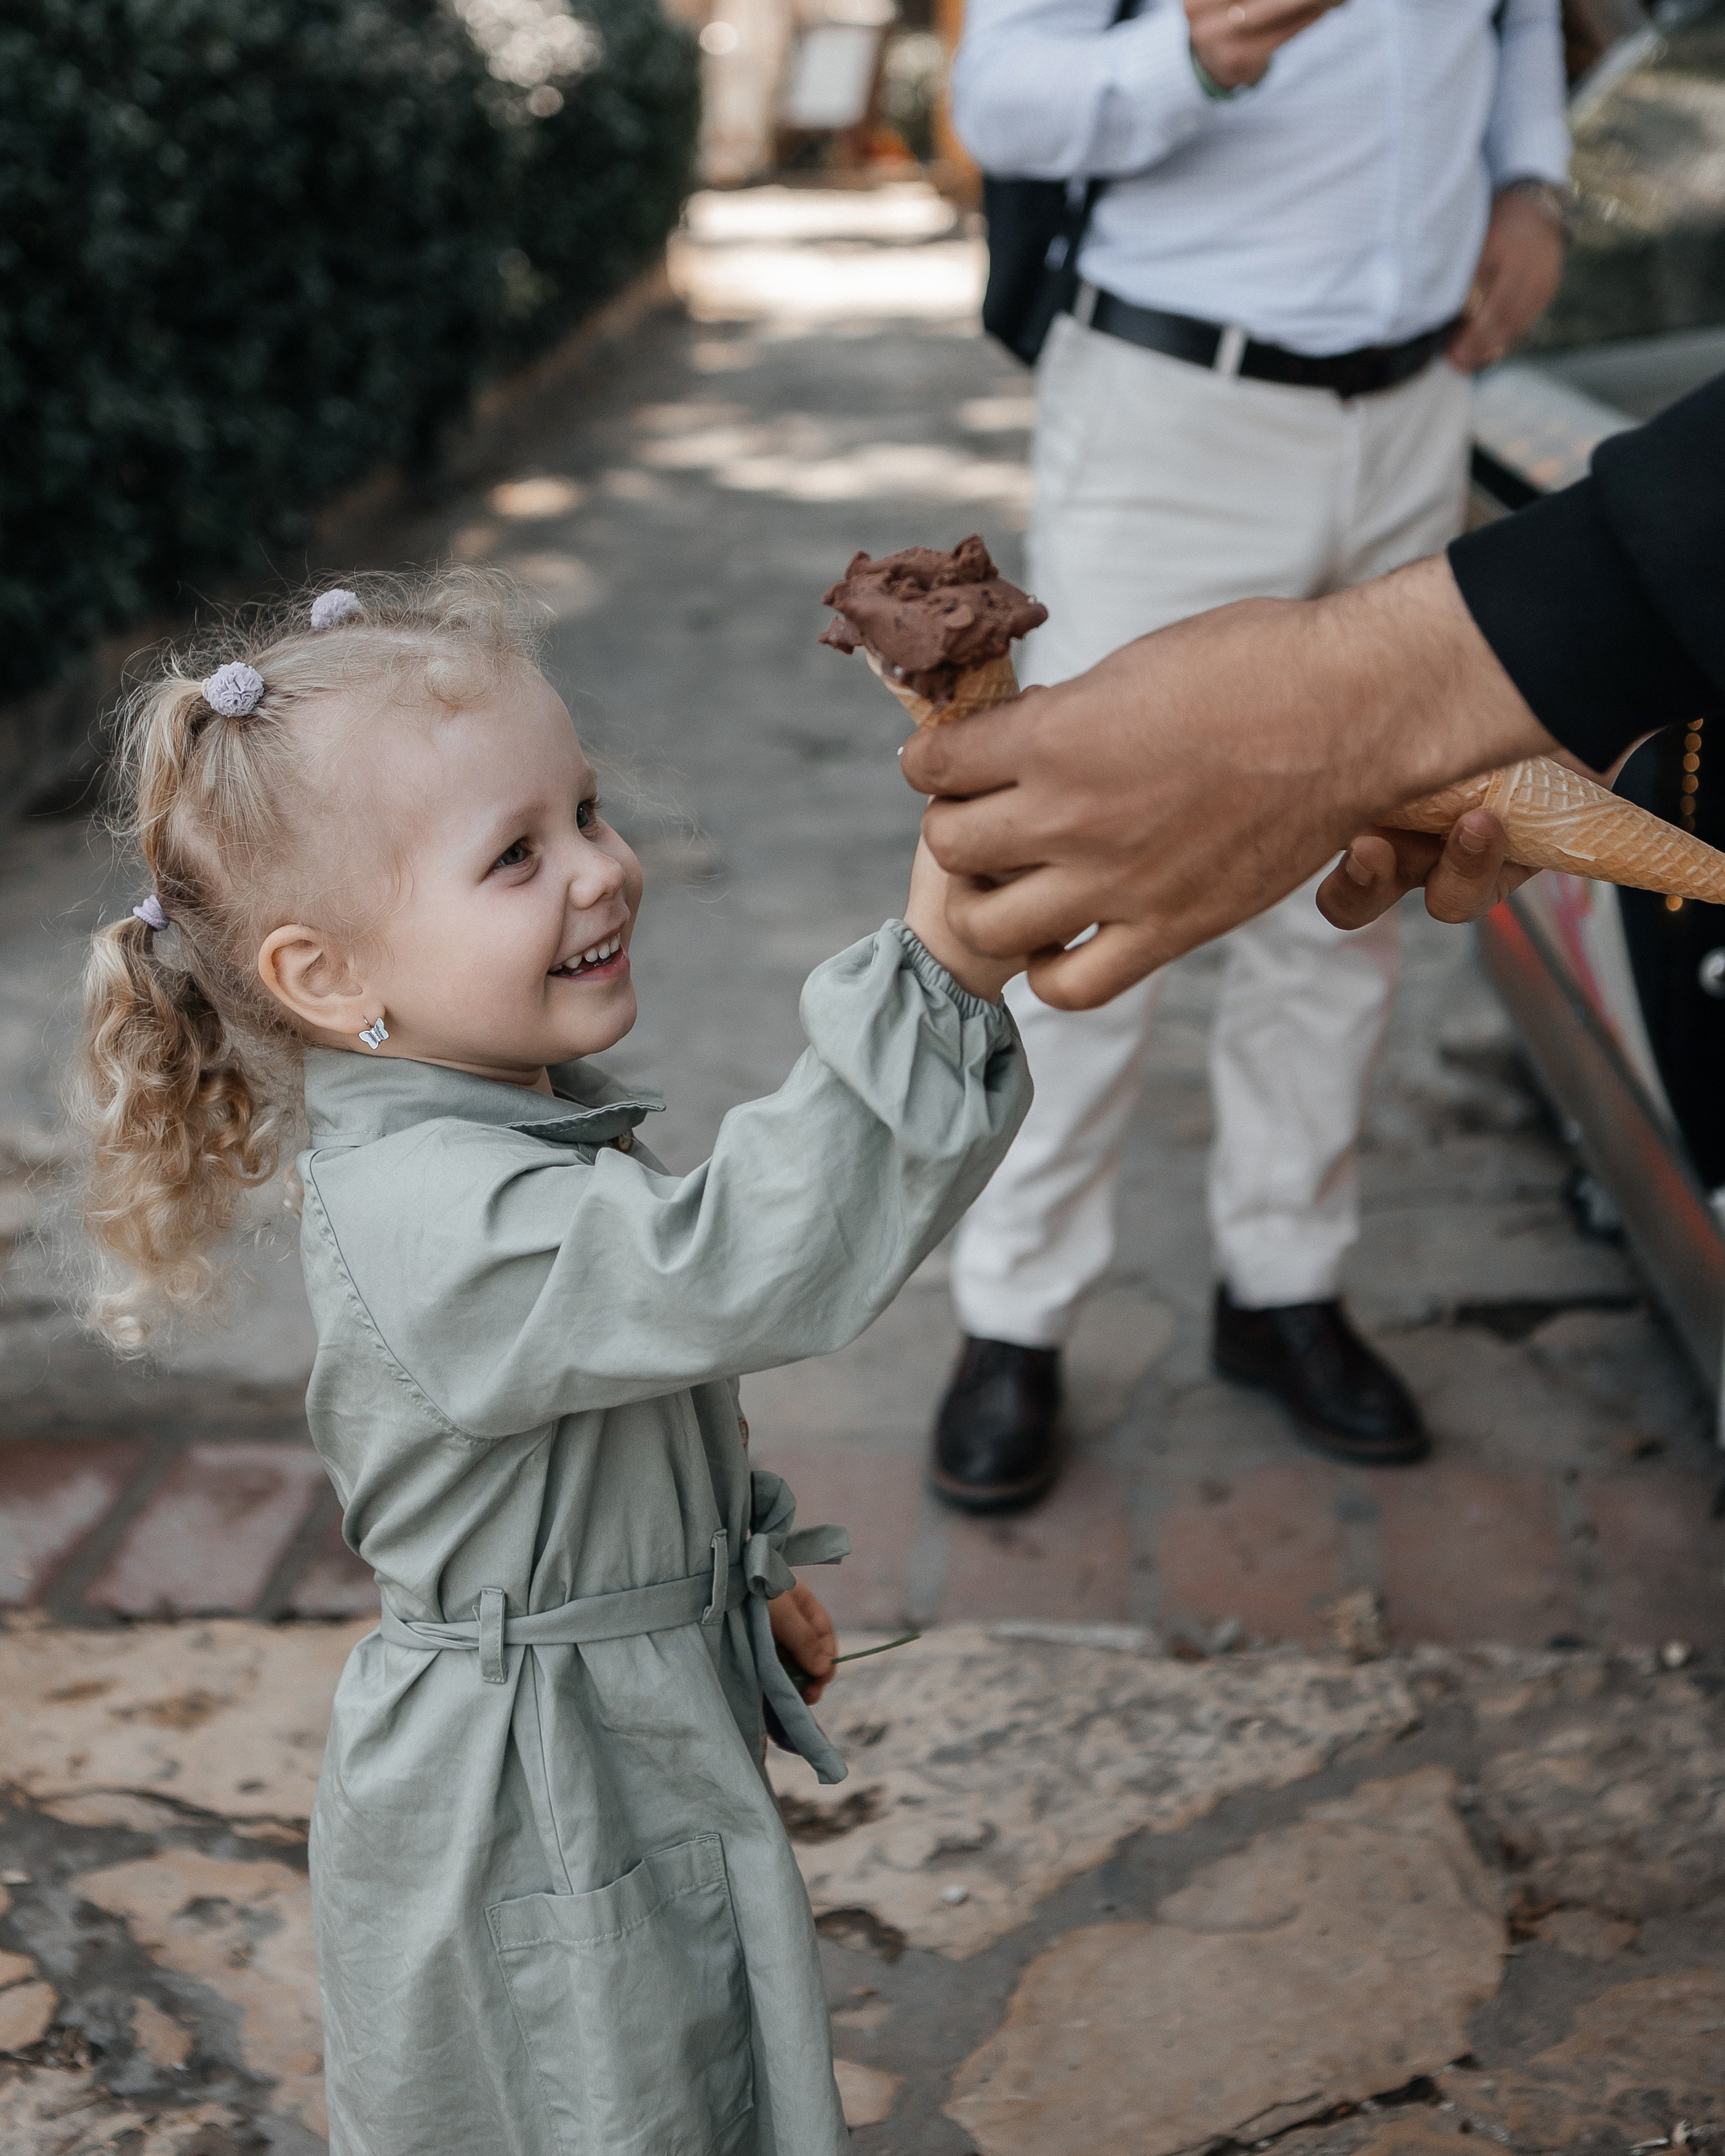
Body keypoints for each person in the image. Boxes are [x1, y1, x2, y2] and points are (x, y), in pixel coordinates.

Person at [75, 569, 1029, 2156]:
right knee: (606, 2097)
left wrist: (713, 1556)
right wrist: (926, 978)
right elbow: (724, 1270)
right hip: (532, 1803)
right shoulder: (438, 1208)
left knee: (675, 2071)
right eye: (516, 855)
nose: (600, 870)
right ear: (328, 979)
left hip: (595, 1726)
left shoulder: (485, 1126)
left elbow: (620, 1387)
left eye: (584, 811)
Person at [931, 0, 1573, 1511]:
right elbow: (1001, 101)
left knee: (1359, 866)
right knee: (1081, 873)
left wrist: (1527, 184)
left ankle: (1281, 1283)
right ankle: (1012, 1311)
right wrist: (1191, 53)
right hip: (1174, 414)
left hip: (1416, 406)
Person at [900, 369, 1725, 975]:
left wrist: (1375, 695)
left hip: (1419, 389)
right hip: (1172, 389)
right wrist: (1554, 669)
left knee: (1330, 960)